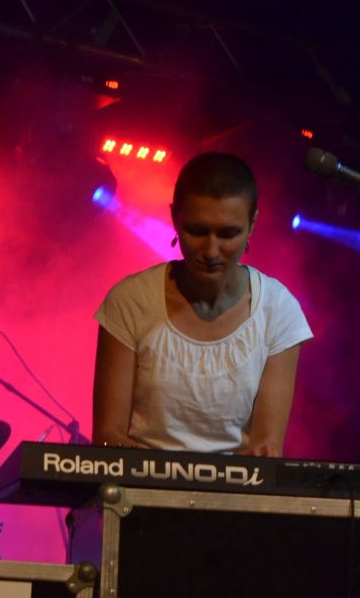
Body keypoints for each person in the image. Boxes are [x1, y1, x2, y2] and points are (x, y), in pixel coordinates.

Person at [92, 152, 312, 455]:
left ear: (252, 224)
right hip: (140, 484)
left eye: (228, 233)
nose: (211, 250)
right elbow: (108, 437)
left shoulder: (278, 310)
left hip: (234, 488)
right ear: (175, 218)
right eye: (197, 231)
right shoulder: (130, 301)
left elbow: (265, 449)